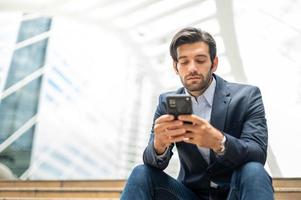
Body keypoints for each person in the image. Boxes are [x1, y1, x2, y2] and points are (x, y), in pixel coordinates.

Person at [120, 27, 274, 200]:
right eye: (184, 62)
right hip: (189, 195)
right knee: (141, 173)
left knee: (253, 170)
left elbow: (258, 154)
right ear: (176, 67)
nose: (192, 68)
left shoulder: (247, 96)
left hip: (235, 193)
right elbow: (152, 162)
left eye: (200, 60)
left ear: (214, 63)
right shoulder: (167, 102)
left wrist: (219, 142)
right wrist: (159, 146)